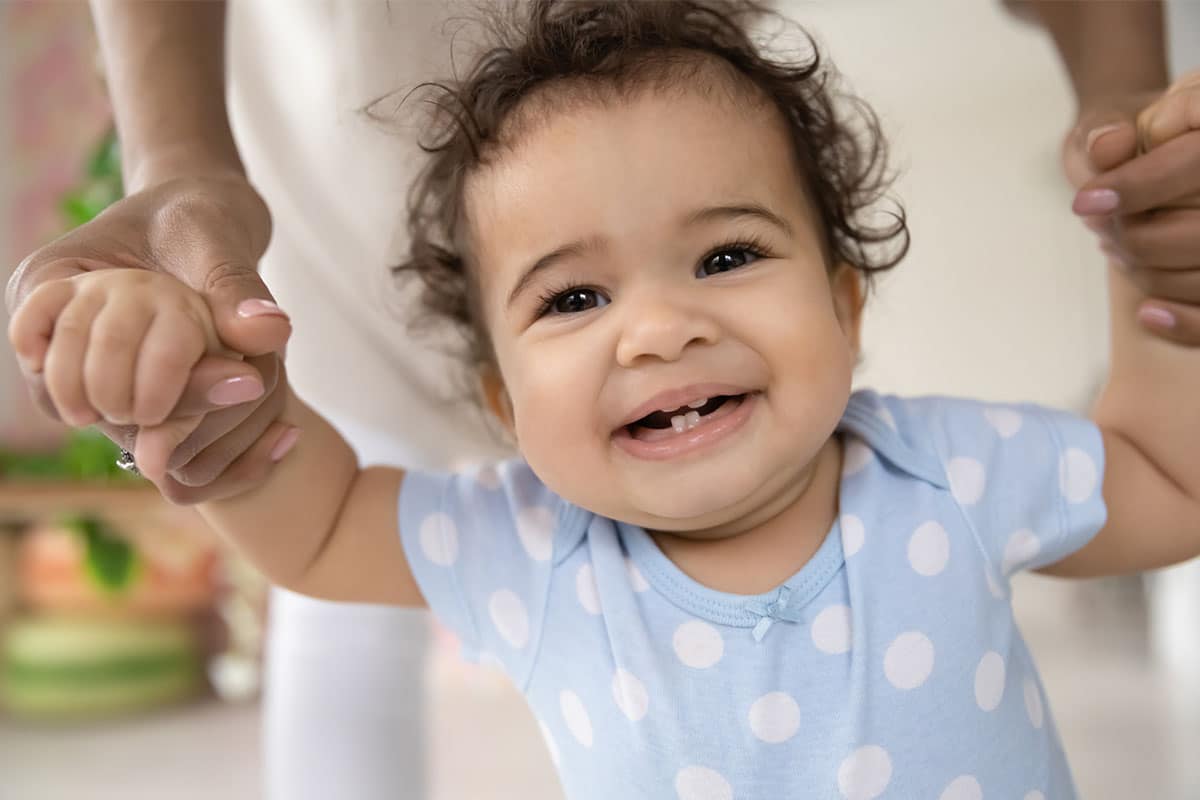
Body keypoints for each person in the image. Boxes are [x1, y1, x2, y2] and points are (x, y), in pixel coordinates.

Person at [3, 1, 1197, 798]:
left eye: (727, 256)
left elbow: (1168, 479)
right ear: (503, 401)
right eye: (572, 298)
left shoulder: (946, 474)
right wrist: (215, 377)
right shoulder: (537, 543)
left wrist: (1155, 267)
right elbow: (313, 525)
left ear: (848, 303)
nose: (661, 326)